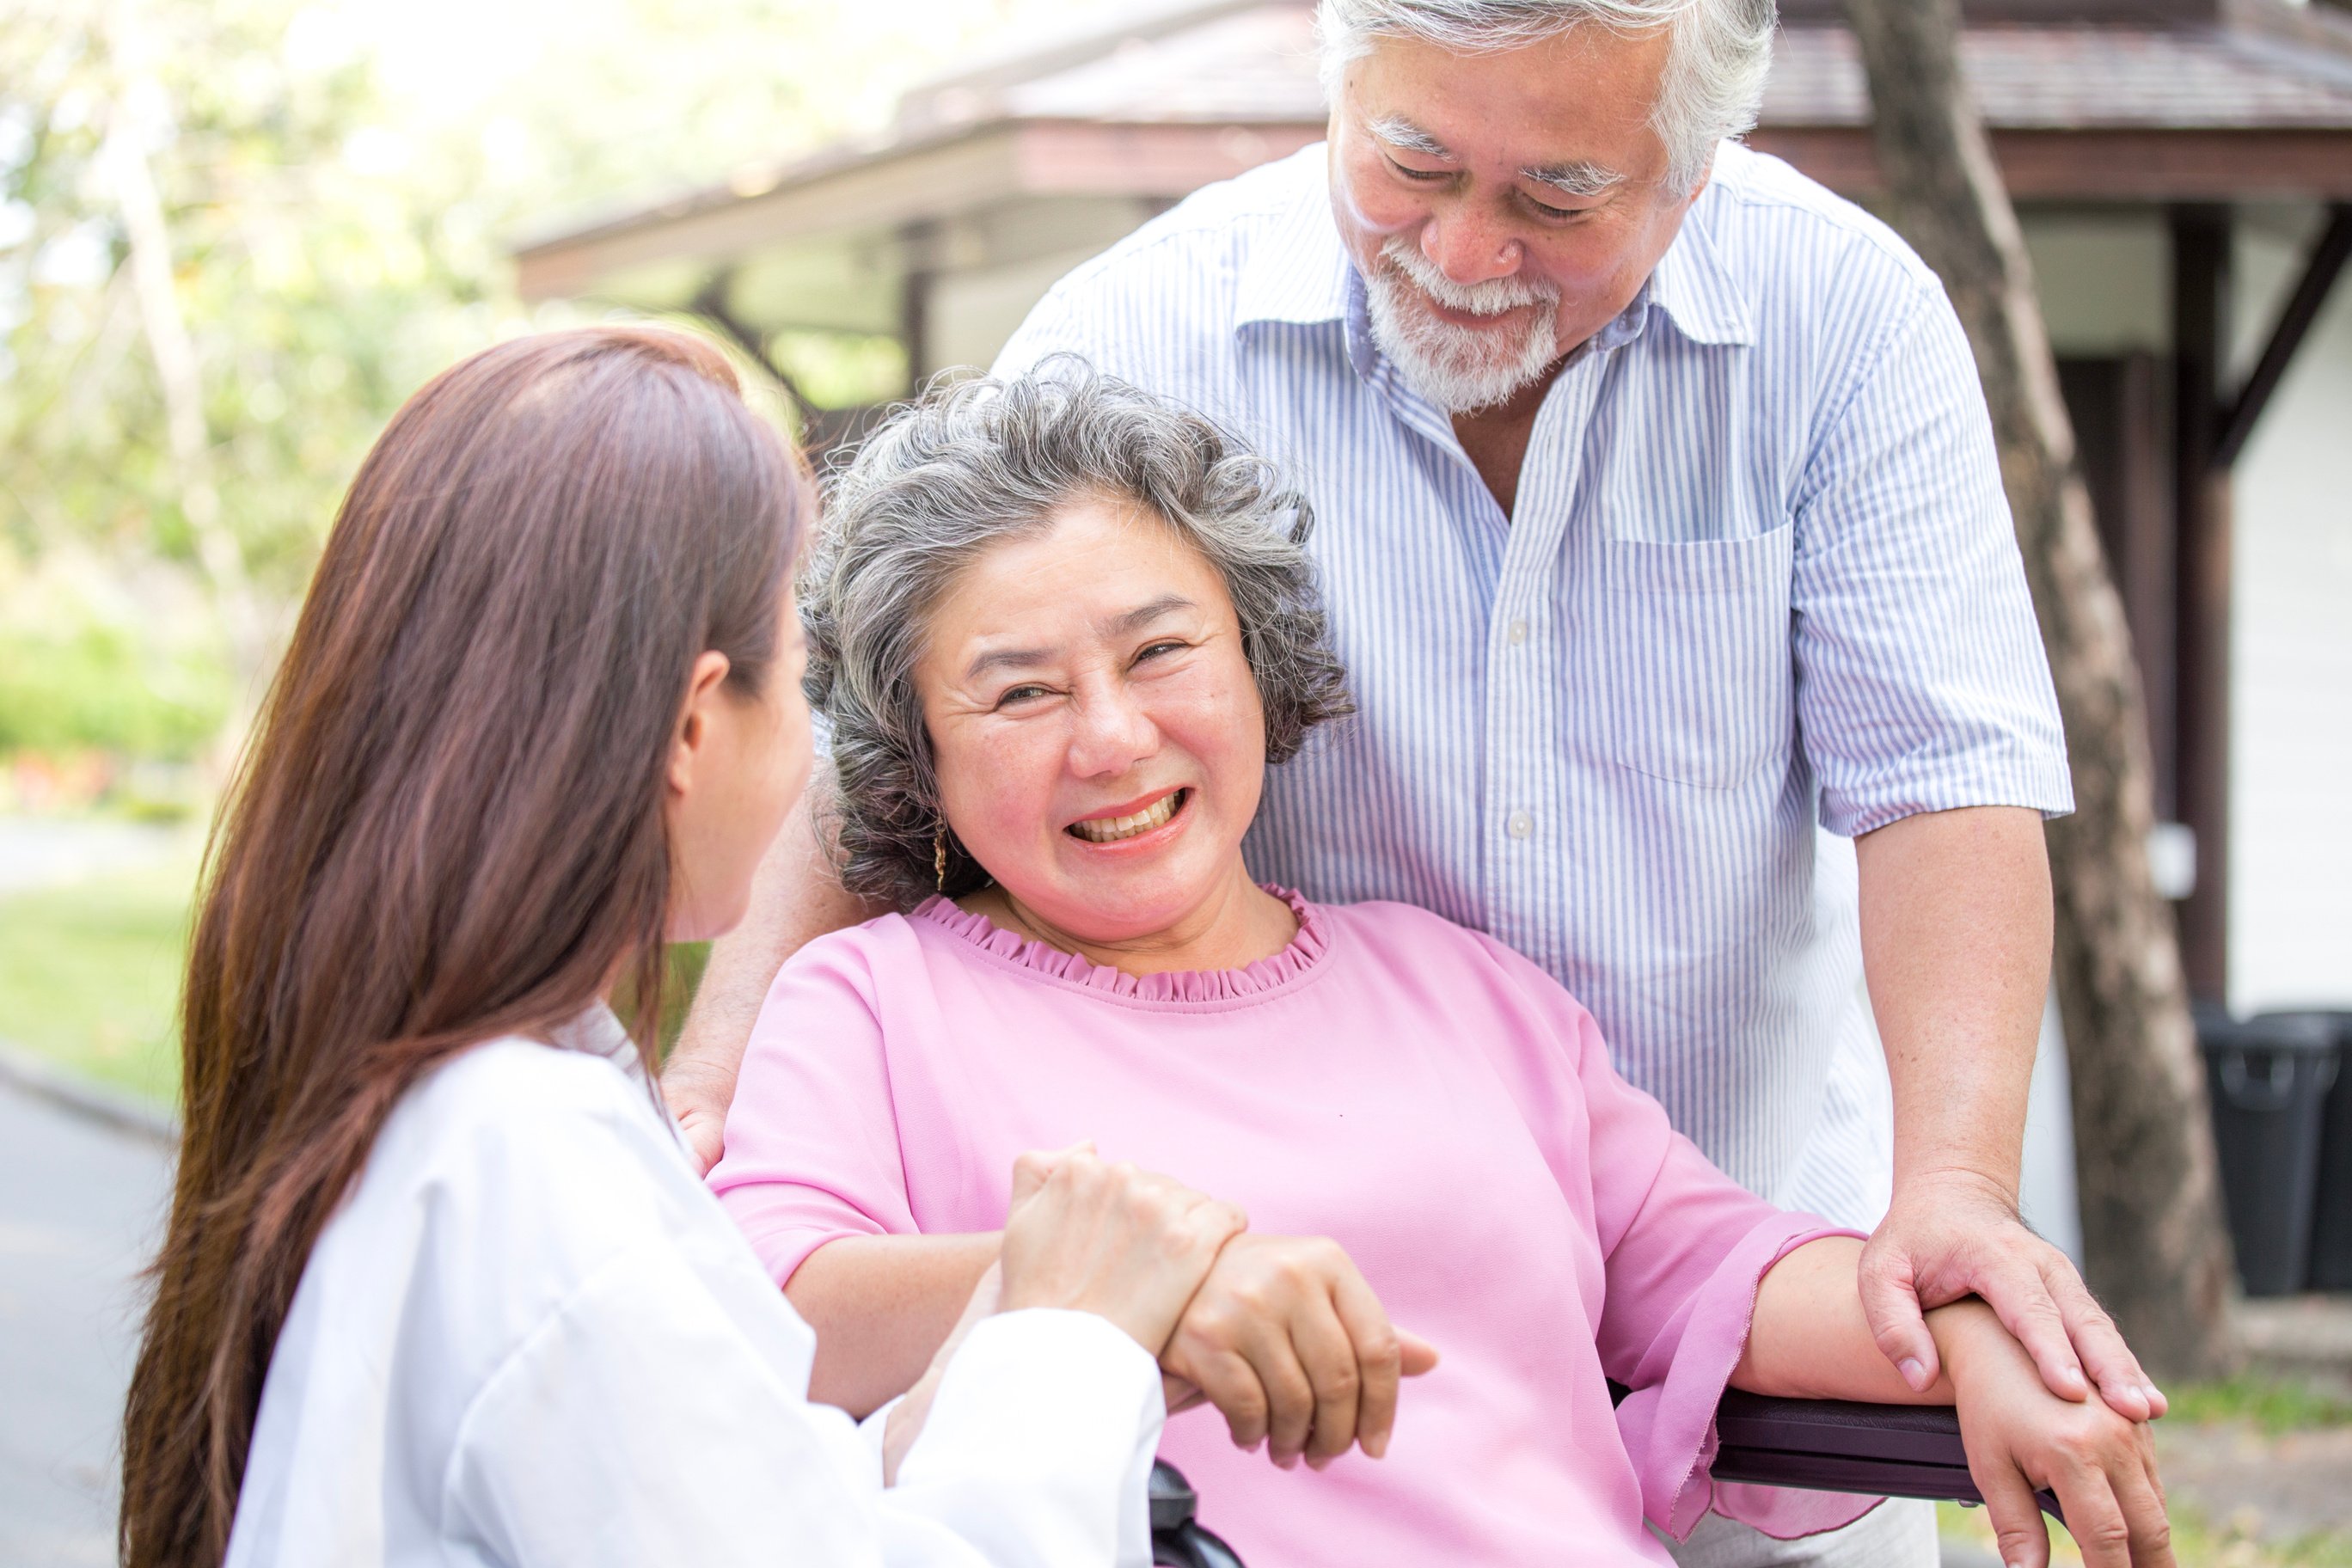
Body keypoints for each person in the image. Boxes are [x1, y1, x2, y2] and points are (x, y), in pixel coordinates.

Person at [662, 7, 2157, 1562]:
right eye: (1414, 158)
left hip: (1738, 1292)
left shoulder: (1838, 321)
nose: (1462, 244)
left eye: (1557, 196)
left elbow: (1943, 779)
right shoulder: (882, 1006)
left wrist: (1960, 1257)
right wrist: (716, 1084)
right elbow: (756, 1297)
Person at [114, 328, 1259, 1568]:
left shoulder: (463, 1103)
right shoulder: (530, 1173)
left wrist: (1002, 1324)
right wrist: (1073, 1340)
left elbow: (730, 1494)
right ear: (695, 724)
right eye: (804, 681)